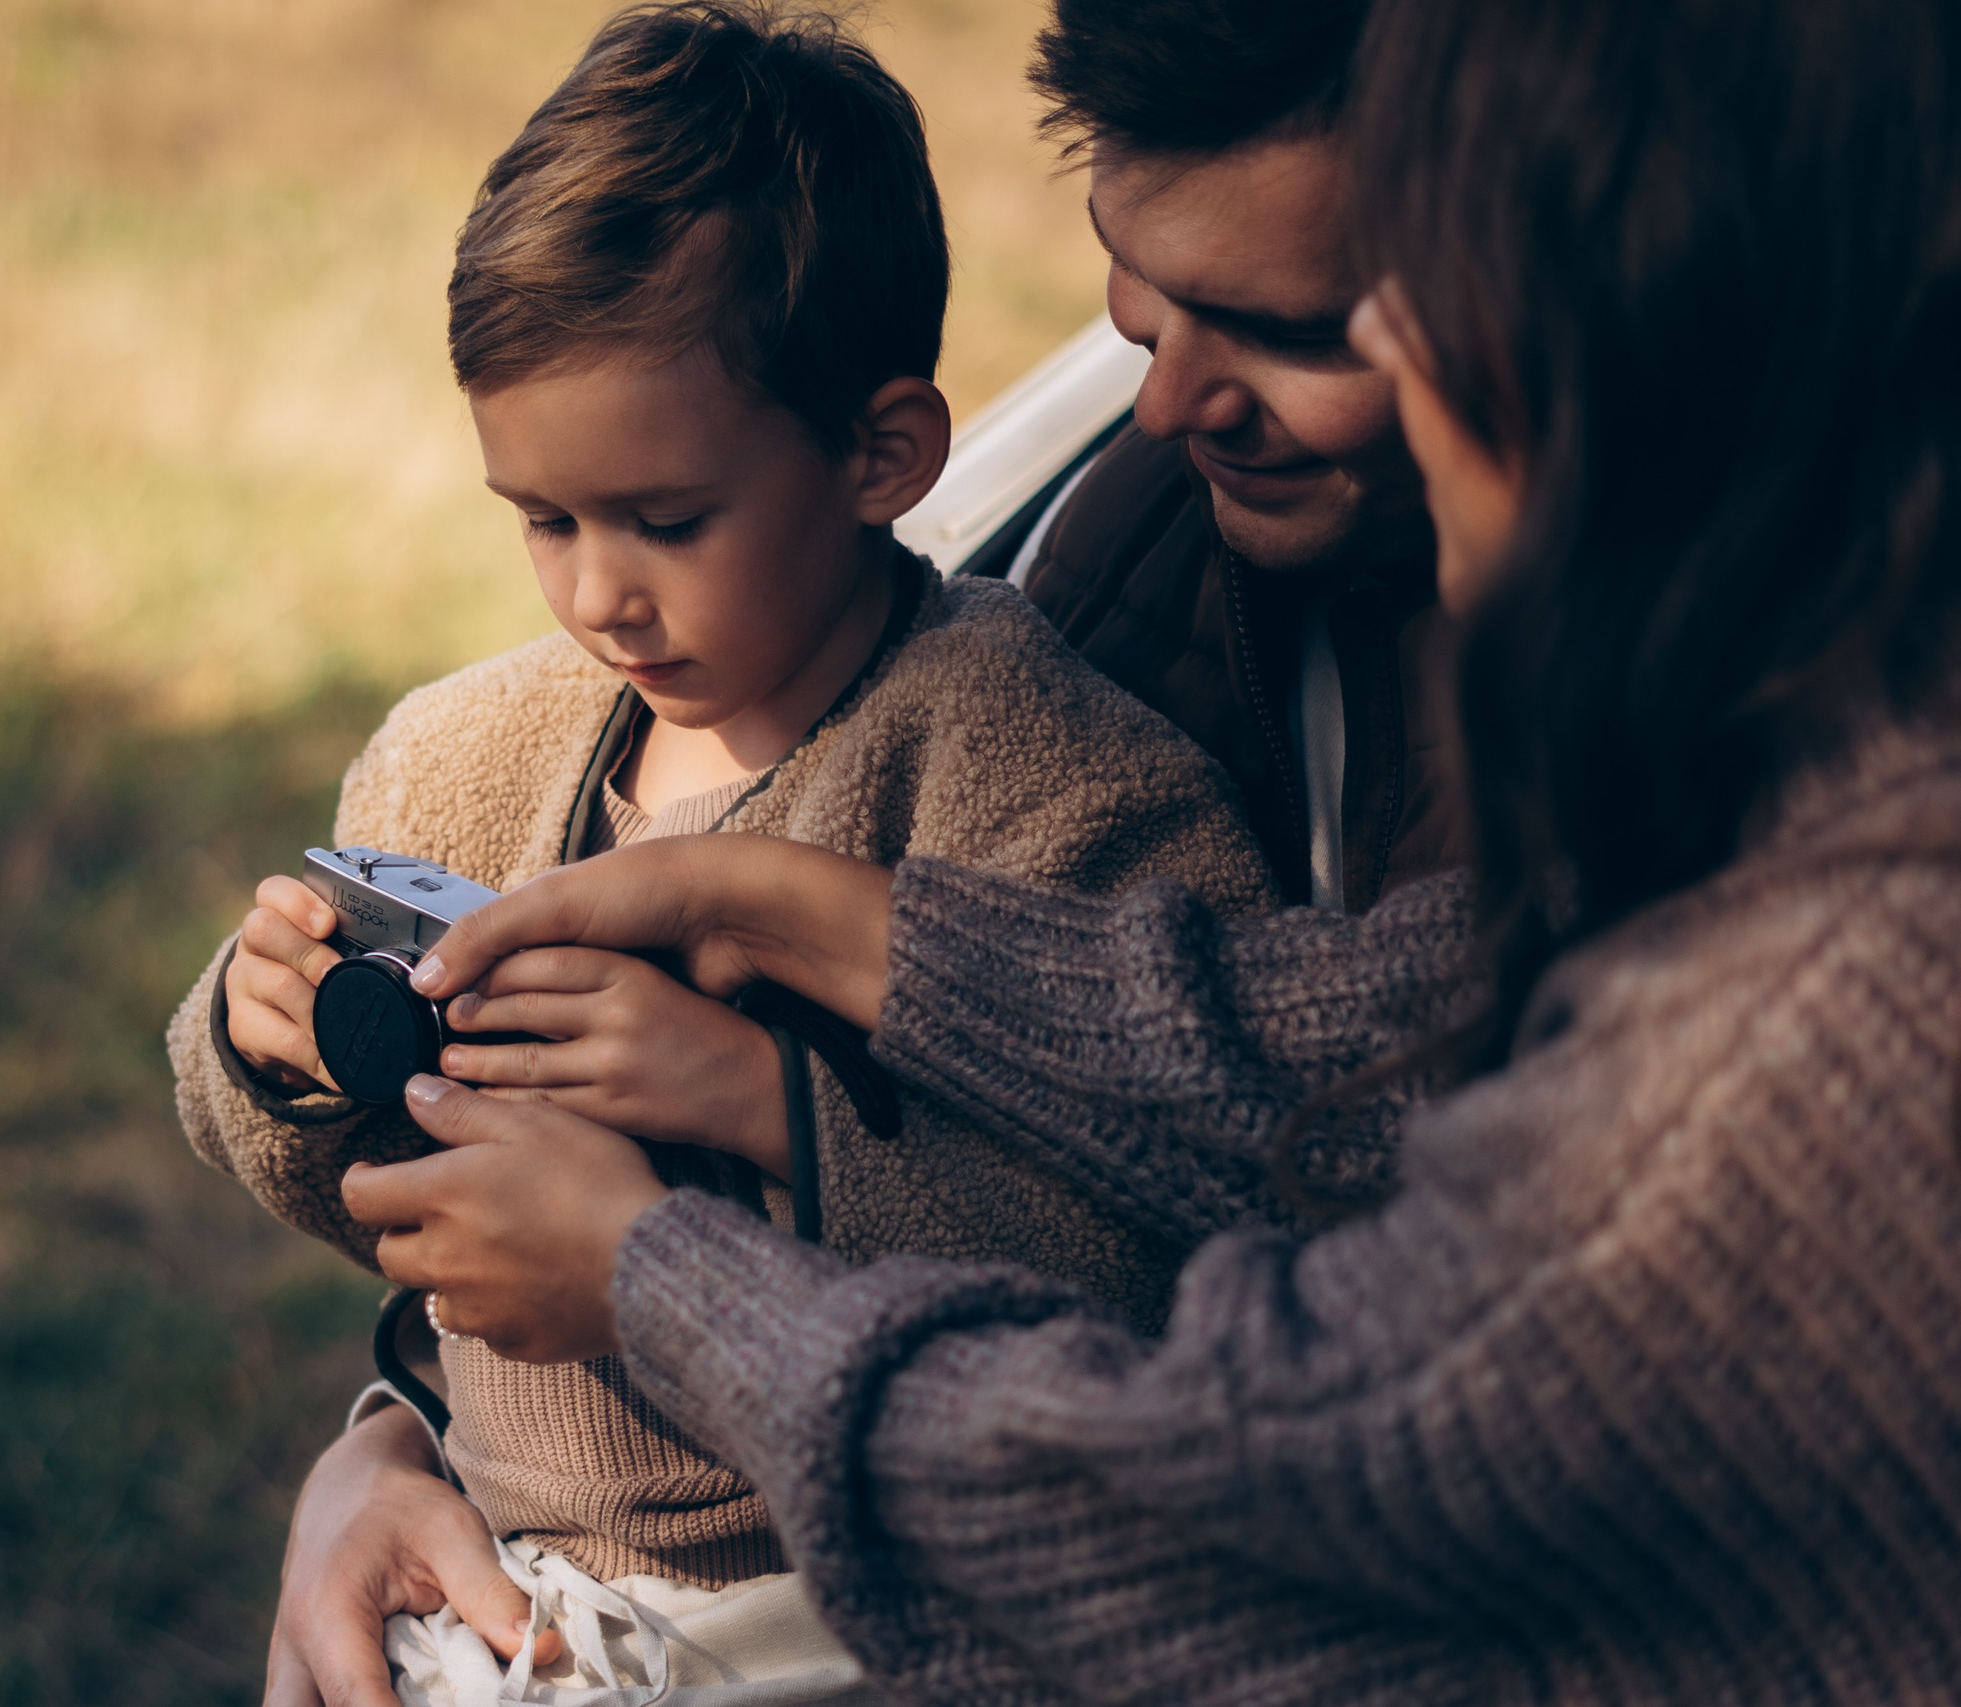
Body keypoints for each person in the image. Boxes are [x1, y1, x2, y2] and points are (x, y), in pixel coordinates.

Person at [299, 0, 1961, 1700]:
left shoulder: (1869, 1011)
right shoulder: (1146, 563)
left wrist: (663, 1275)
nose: (1166, 398)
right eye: (1139, 287)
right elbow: (1375, 1042)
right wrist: (412, 1425)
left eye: (1341, 322)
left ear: (1680, 355)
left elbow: (1222, 1494)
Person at [164, 6, 1278, 1702]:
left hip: (865, 1613)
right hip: (510, 1581)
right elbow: (367, 1201)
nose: (599, 591)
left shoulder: (1045, 786)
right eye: (544, 519)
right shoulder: (461, 760)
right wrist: (276, 1051)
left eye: (667, 521)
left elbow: (1160, 1267)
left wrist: (776, 1115)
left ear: (883, 454)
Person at [1001, 0, 1468, 913]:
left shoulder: (1712, 723)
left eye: (1289, 334)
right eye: (1133, 268)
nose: (1162, 408)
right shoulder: (1098, 545)